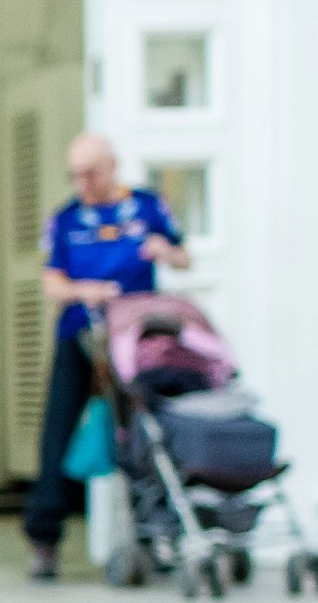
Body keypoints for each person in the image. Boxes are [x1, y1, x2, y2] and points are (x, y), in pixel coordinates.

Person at [22, 132, 191, 577]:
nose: (84, 183)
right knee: (57, 429)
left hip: (135, 339)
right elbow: (50, 283)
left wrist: (166, 252)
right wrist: (84, 290)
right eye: (75, 175)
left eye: (91, 173)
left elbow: (183, 257)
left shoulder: (148, 206)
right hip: (82, 334)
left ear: (112, 166)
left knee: (145, 430)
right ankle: (44, 540)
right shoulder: (64, 219)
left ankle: (156, 530)